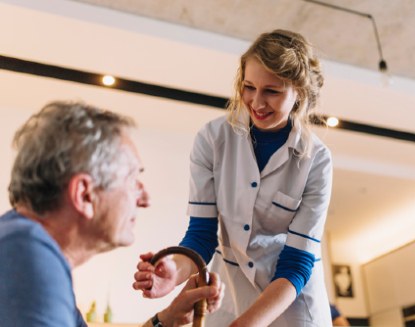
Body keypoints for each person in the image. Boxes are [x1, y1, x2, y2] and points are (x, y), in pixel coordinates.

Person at [133, 29, 333, 326]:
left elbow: (297, 263)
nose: (256, 102)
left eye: (272, 91)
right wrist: (172, 273)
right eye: (249, 87)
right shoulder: (212, 139)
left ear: (299, 94)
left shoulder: (316, 159)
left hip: (291, 297)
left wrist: (248, 322)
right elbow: (201, 235)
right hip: (231, 288)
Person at [0, 101, 223, 327]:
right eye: (133, 180)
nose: (145, 199)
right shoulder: (27, 260)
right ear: (85, 194)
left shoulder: (23, 248)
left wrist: (170, 318)